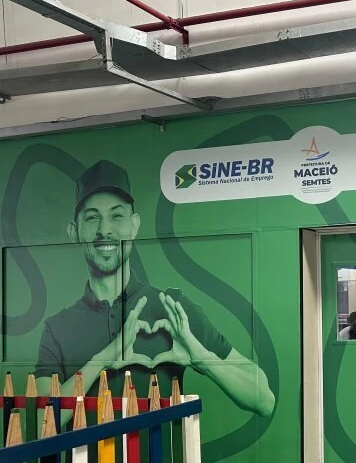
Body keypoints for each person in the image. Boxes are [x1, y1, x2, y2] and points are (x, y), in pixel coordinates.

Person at [35, 160, 276, 426]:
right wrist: (101, 360)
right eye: (92, 217)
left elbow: (264, 400)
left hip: (160, 457)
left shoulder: (172, 309)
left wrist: (203, 359)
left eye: (117, 216)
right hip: (84, 457)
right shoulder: (57, 328)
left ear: (134, 225)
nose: (105, 229)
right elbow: (43, 422)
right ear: (74, 231)